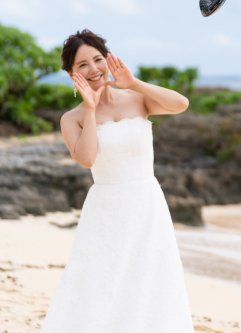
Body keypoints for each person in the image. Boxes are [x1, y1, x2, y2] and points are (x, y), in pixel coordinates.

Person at [41, 29, 194, 333]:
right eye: (82, 65)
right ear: (72, 73)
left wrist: (134, 82)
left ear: (109, 59)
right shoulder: (73, 118)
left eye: (98, 59)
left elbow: (181, 104)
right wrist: (91, 107)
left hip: (147, 203)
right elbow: (86, 159)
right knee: (100, 280)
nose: (93, 69)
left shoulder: (138, 100)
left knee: (149, 278)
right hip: (106, 208)